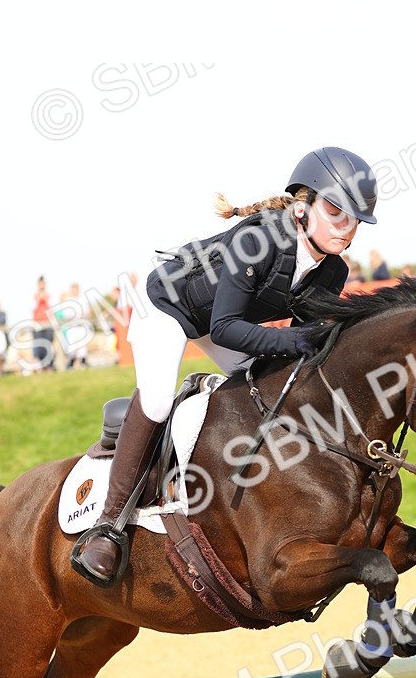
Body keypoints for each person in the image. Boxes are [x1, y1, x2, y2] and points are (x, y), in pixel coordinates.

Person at [73, 145, 378, 586]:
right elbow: (225, 328)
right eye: (334, 210)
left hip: (220, 321)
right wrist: (295, 341)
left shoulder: (332, 272)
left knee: (269, 386)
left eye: (354, 218)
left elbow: (297, 356)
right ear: (302, 204)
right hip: (167, 306)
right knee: (158, 399)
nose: (344, 227)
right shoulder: (258, 240)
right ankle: (108, 525)